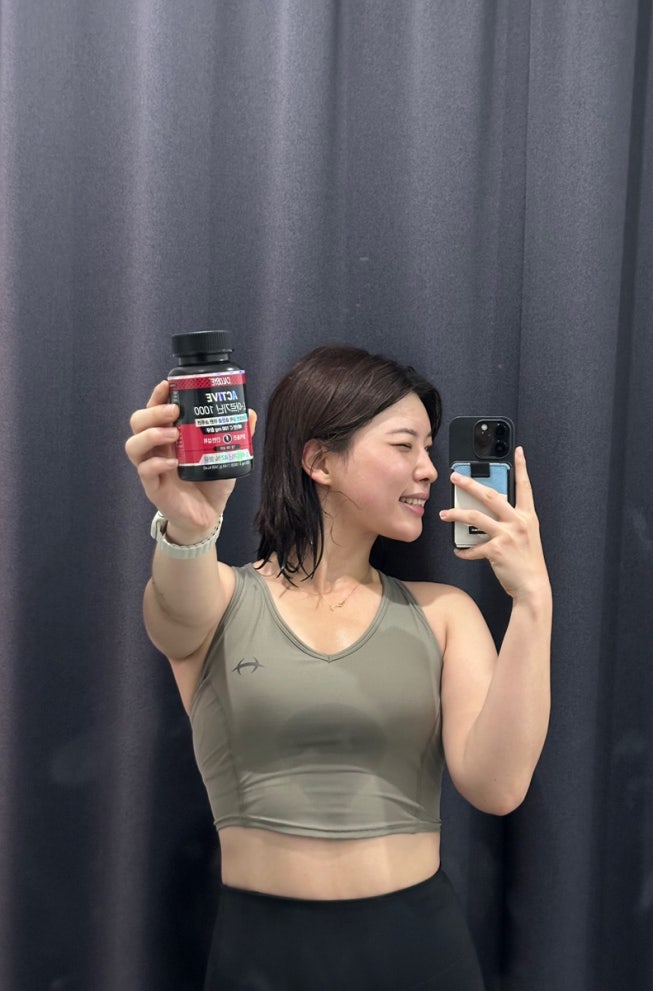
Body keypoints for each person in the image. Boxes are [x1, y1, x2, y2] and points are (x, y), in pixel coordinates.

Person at [125, 344, 552, 991]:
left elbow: (498, 786)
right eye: (404, 445)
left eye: (429, 448)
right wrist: (189, 525)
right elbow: (174, 609)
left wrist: (532, 599)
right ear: (319, 460)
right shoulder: (217, 598)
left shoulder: (445, 614)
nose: (428, 469)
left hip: (420, 956)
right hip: (262, 961)